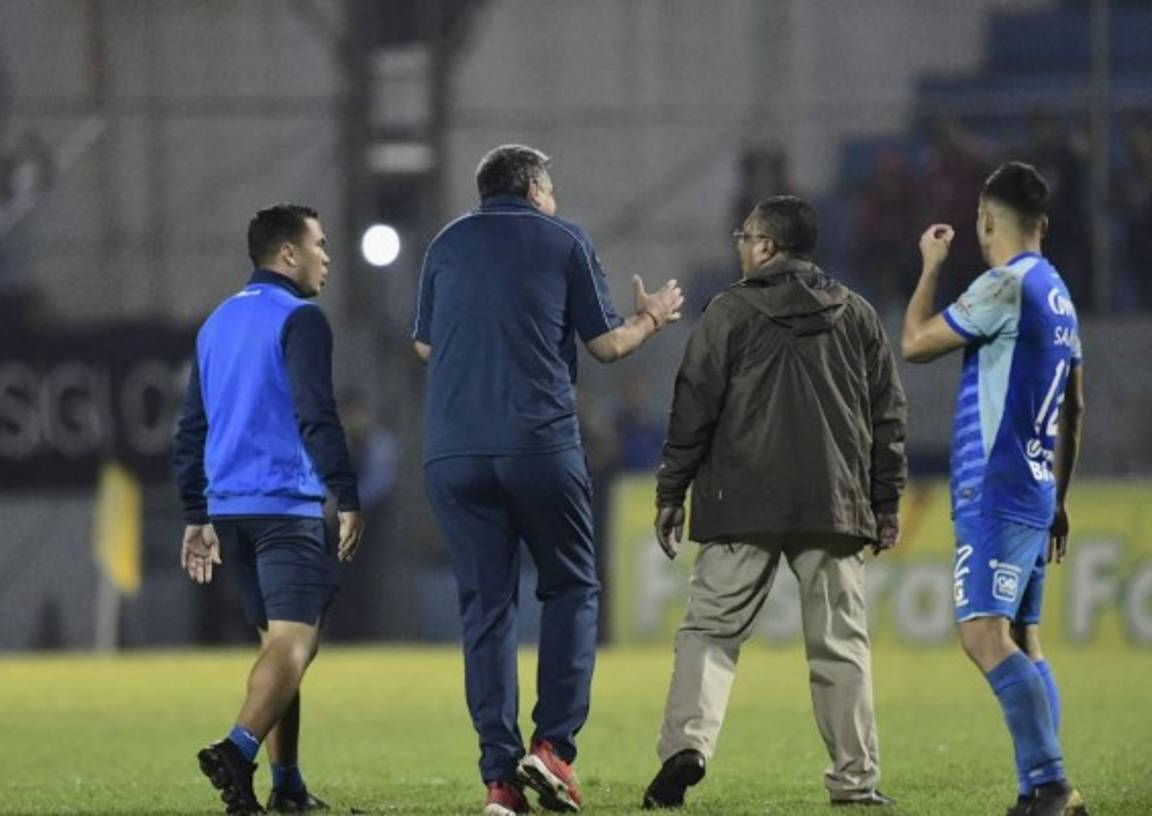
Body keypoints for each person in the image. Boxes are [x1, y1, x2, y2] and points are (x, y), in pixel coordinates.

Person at [412, 144, 684, 816]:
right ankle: (554, 749)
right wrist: (650, 317)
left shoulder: (444, 245)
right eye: (552, 187)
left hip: (452, 452)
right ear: (535, 189)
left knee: (486, 609)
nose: (555, 198)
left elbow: (424, 345)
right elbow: (607, 346)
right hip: (536, 443)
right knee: (569, 586)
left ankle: (500, 782)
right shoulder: (562, 239)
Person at [644, 195, 906, 809]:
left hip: (742, 499)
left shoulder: (728, 313)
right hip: (834, 500)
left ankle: (688, 745)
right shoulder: (858, 315)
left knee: (710, 630)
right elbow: (887, 414)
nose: (740, 244)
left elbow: (693, 407)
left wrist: (671, 492)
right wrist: (885, 499)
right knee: (841, 644)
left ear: (765, 246)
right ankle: (856, 780)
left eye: (745, 236)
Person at [900, 162, 1087, 816]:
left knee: (982, 636)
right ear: (1043, 223)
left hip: (995, 488)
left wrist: (929, 265)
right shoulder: (1059, 294)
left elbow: (916, 343)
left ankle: (1054, 782)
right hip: (1037, 488)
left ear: (985, 223)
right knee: (1026, 641)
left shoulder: (1002, 285)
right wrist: (1059, 499)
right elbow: (1076, 407)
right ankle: (1038, 788)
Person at [173, 203, 364, 815]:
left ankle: (286, 787)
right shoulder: (301, 319)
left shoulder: (216, 323)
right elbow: (316, 412)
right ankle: (236, 748)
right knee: (295, 645)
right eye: (320, 245)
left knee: (280, 645)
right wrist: (348, 493)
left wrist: (195, 513)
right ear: (288, 254)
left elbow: (191, 428)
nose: (327, 257)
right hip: (285, 507)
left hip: (229, 514)